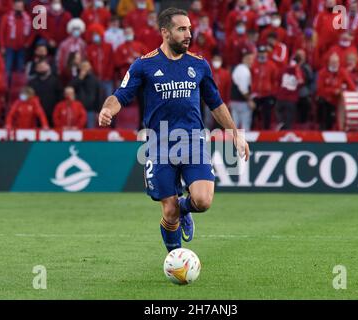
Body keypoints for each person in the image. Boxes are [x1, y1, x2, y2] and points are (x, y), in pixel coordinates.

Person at [98, 8, 249, 253]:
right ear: (165, 32)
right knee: (169, 212)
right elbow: (121, 95)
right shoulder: (144, 65)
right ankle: (176, 259)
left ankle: (184, 206)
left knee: (203, 201)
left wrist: (234, 133)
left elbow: (216, 103)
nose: (188, 34)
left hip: (192, 142)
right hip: (159, 144)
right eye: (181, 29)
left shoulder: (199, 65)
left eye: (189, 28)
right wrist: (108, 110)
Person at [70, 60, 102, 128]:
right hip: (77, 110)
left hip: (90, 110)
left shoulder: (94, 79)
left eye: (87, 66)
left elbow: (98, 95)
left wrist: (98, 110)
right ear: (80, 67)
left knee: (90, 131)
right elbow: (71, 89)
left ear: (90, 67)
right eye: (83, 66)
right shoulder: (76, 78)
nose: (85, 68)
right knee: (78, 131)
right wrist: (80, 78)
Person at [230, 49, 256, 130]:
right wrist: (249, 100)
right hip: (242, 102)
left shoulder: (238, 68)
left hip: (234, 101)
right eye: (249, 59)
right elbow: (243, 89)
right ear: (244, 59)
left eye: (252, 59)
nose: (251, 61)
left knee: (234, 127)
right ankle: (242, 142)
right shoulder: (244, 70)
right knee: (245, 128)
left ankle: (233, 142)